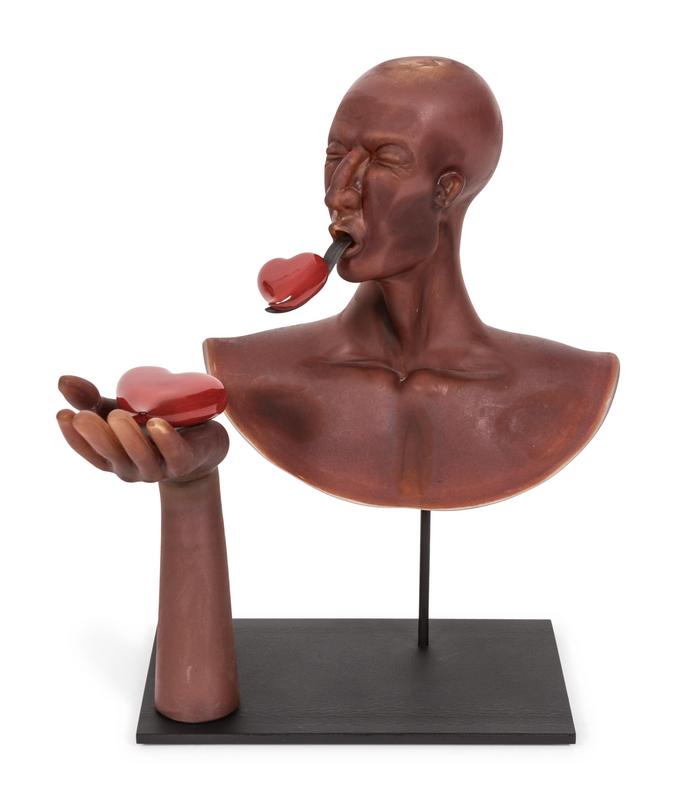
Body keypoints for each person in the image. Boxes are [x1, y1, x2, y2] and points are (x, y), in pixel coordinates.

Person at [57, 57, 618, 719]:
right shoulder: (251, 371)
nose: (340, 193)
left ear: (446, 191)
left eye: (382, 161)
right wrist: (190, 488)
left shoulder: (567, 388)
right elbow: (191, 710)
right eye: (334, 155)